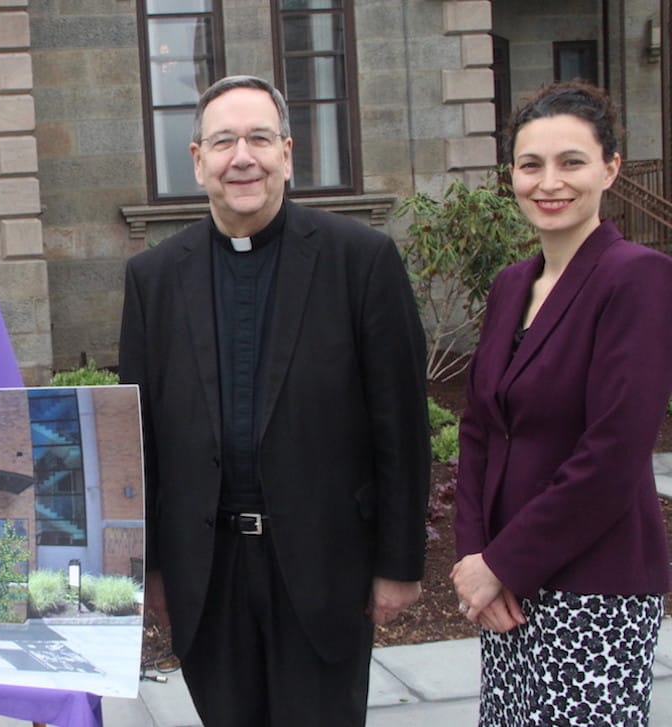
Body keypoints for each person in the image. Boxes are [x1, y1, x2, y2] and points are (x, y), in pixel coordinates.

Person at [118, 75, 431, 726]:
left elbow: (400, 425)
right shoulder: (152, 278)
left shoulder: (361, 260)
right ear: (197, 158)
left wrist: (399, 563)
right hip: (208, 573)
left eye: (260, 138)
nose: (243, 157)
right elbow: (137, 437)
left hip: (322, 569)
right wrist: (146, 568)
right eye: (224, 140)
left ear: (287, 152)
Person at [451, 81, 672, 725]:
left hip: (593, 584)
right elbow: (479, 431)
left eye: (571, 161)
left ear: (610, 169)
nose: (550, 182)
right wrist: (473, 561)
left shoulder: (639, 278)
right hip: (505, 592)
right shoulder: (510, 284)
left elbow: (612, 453)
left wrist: (501, 563)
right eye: (530, 164)